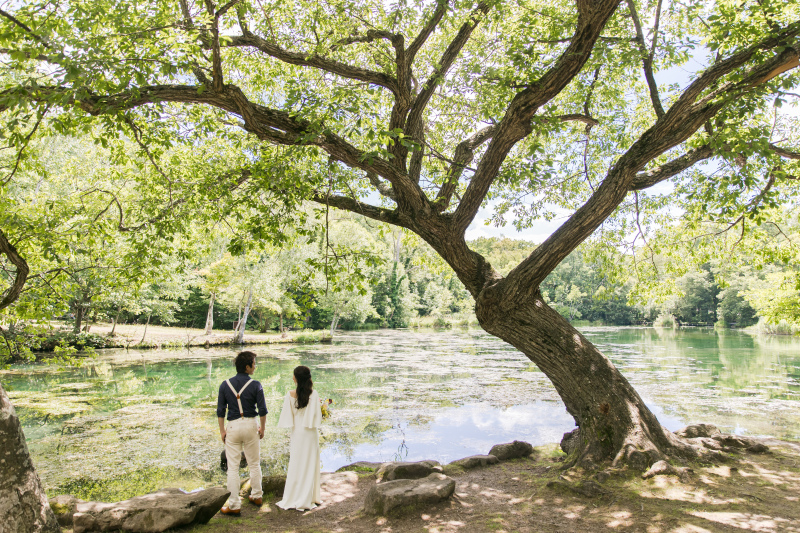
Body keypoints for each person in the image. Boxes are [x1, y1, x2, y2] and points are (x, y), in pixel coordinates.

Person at [216, 351, 268, 515]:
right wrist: (262, 428)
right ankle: (257, 495)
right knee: (254, 463)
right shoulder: (256, 384)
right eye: (254, 363)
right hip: (251, 425)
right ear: (247, 367)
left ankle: (234, 505)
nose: (255, 366)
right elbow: (263, 411)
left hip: (232, 426)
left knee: (233, 468)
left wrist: (222, 431)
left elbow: (220, 411)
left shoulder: (225, 385)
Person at [276, 365, 322, 511]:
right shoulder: (313, 394)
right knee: (309, 464)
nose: (292, 377)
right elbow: (316, 417)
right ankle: (309, 497)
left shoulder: (290, 395)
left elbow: (287, 418)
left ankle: (294, 496)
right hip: (310, 433)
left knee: (296, 464)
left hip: (297, 433)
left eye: (293, 375)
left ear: (296, 379)